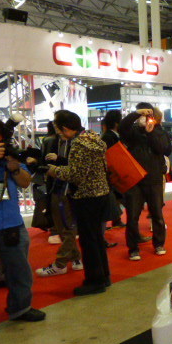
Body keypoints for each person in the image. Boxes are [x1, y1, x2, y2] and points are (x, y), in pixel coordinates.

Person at [0, 116, 46, 334]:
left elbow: (25, 182)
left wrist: (15, 169)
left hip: (11, 223)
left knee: (20, 270)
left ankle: (21, 308)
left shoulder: (7, 157)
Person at [47, 110, 111, 296]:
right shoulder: (92, 137)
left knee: (88, 241)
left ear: (66, 128)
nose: (59, 134)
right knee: (96, 239)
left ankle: (94, 281)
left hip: (86, 197)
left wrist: (54, 170)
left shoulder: (78, 144)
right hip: (100, 194)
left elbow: (76, 175)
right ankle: (104, 276)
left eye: (59, 130)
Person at [119, 102, 172, 261]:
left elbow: (163, 149)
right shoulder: (133, 132)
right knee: (132, 216)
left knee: (157, 214)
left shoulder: (159, 131)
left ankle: (159, 244)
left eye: (147, 116)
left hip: (154, 179)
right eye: (142, 116)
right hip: (135, 180)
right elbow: (123, 127)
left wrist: (151, 132)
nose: (144, 119)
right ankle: (133, 248)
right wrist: (136, 114)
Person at [35, 118, 83, 277]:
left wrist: (59, 161)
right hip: (58, 188)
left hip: (70, 191)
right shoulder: (57, 140)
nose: (58, 131)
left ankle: (61, 263)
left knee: (68, 228)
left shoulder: (81, 142)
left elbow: (76, 169)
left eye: (59, 128)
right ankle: (75, 258)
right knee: (63, 228)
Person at [101, 110, 125, 235]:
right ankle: (111, 221)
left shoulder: (111, 135)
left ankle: (116, 219)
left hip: (114, 171)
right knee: (113, 197)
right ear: (116, 123)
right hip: (112, 172)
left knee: (116, 197)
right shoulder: (109, 137)